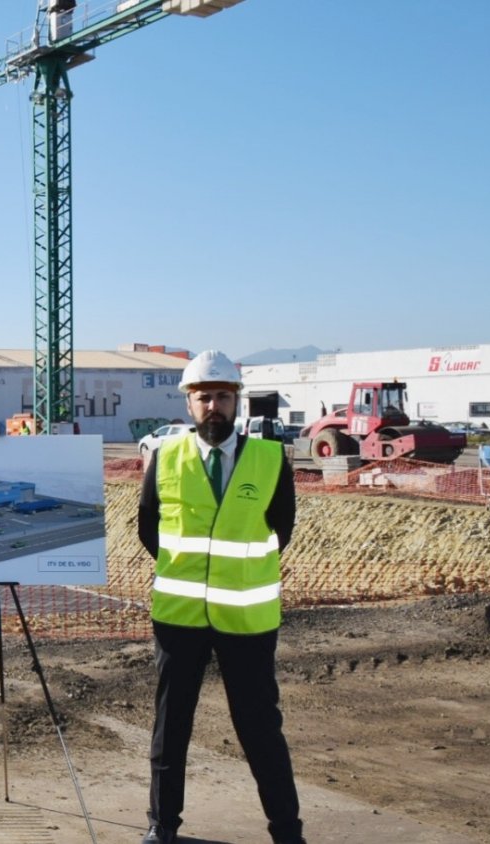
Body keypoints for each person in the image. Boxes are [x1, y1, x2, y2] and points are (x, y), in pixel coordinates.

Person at [135, 350, 304, 844]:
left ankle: (288, 833)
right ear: (190, 404)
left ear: (237, 403)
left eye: (223, 397)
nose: (214, 406)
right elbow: (150, 528)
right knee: (171, 728)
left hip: (247, 619)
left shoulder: (270, 459)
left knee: (260, 730)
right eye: (204, 397)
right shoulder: (167, 458)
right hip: (179, 616)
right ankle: (162, 827)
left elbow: (281, 531)